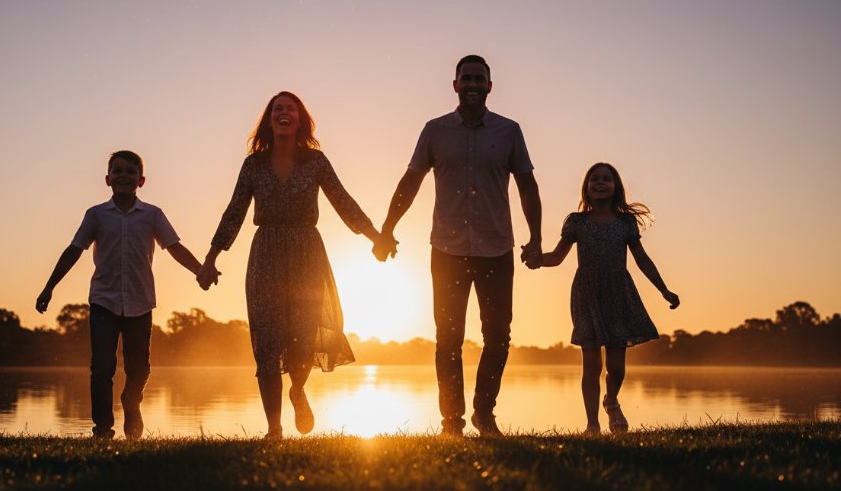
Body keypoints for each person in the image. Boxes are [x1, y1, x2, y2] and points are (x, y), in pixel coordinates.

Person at [196, 91, 383, 440]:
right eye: (277, 109)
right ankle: (274, 428)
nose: (283, 113)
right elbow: (234, 211)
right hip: (265, 252)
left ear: (300, 119)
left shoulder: (316, 161)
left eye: (290, 109)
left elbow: (343, 201)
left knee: (302, 339)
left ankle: (297, 390)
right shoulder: (254, 164)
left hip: (306, 252)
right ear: (269, 120)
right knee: (266, 341)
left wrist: (374, 235)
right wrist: (211, 258)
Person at [373, 55, 542, 437]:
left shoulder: (510, 131)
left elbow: (527, 185)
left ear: (489, 87)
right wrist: (387, 229)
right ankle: (452, 422)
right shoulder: (434, 131)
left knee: (497, 336)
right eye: (465, 78)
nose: (472, 84)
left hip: (497, 249)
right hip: (446, 250)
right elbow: (411, 180)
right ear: (454, 85)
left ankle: (484, 414)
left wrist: (536, 238)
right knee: (447, 338)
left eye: (479, 79)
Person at [35, 150, 206, 439]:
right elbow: (74, 250)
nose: (123, 176)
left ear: (141, 180)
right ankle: (103, 430)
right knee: (102, 368)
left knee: (139, 368)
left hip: (140, 303)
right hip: (104, 301)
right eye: (118, 171)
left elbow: (174, 247)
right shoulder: (96, 215)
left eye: (129, 172)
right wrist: (49, 287)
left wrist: (200, 271)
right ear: (108, 179)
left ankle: (131, 400)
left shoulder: (152, 215)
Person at [533, 162, 680, 434]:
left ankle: (611, 402)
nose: (600, 183)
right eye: (594, 179)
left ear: (616, 188)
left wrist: (663, 290)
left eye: (606, 179)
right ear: (586, 188)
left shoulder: (625, 223)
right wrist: (536, 259)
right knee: (592, 365)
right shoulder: (577, 222)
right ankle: (592, 425)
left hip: (618, 293)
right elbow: (555, 257)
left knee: (617, 367)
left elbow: (642, 259)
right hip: (586, 293)